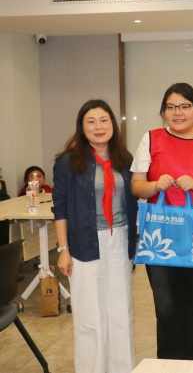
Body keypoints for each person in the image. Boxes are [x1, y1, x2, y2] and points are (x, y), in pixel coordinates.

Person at [131, 82, 193, 360]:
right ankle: (169, 362)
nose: (178, 113)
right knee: (166, 306)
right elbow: (136, 186)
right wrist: (154, 186)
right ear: (163, 111)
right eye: (171, 107)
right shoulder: (150, 139)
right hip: (159, 233)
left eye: (185, 106)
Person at [52, 100, 138, 373]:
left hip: (120, 241)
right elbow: (60, 208)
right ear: (82, 127)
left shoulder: (125, 159)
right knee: (90, 314)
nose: (98, 127)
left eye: (104, 120)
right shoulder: (68, 162)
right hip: (85, 243)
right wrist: (63, 249)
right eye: (91, 121)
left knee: (120, 312)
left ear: (113, 124)